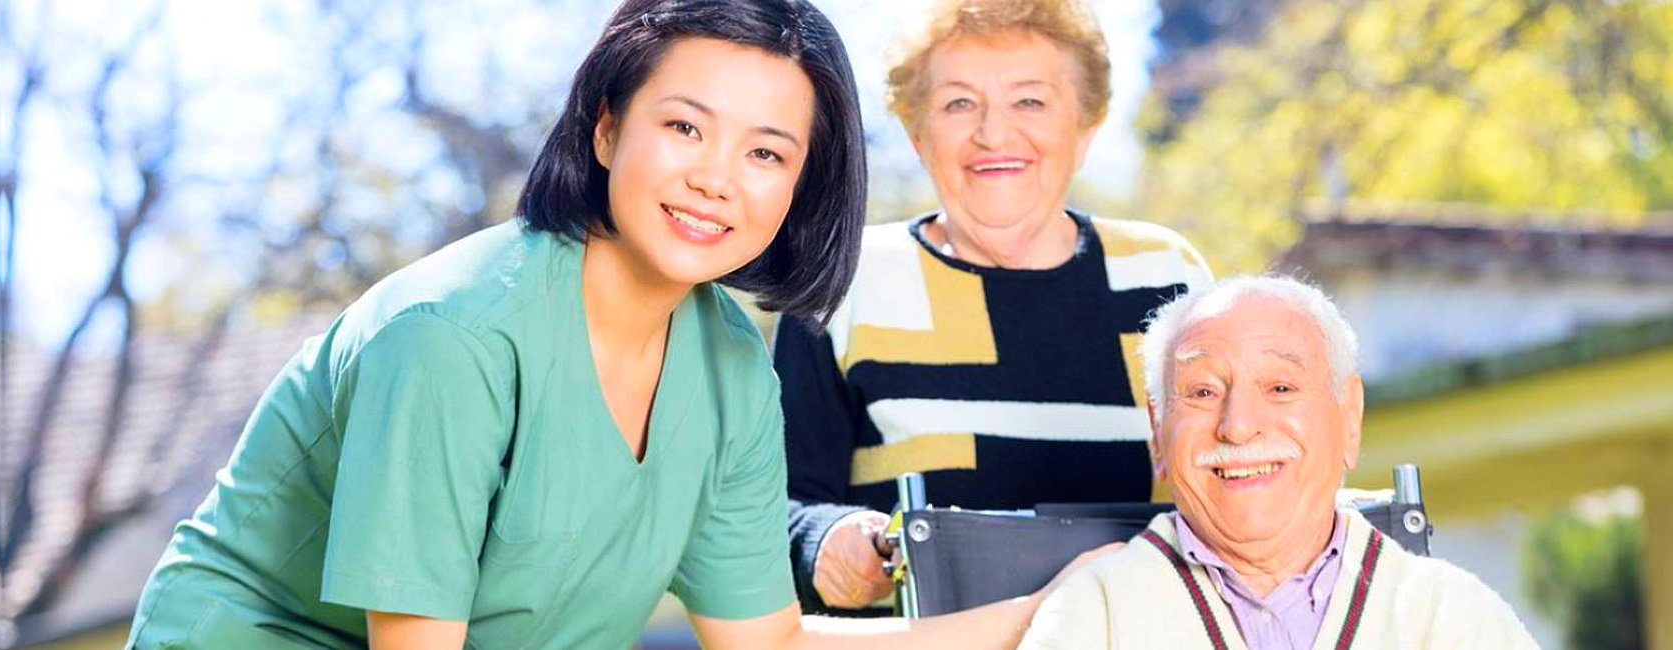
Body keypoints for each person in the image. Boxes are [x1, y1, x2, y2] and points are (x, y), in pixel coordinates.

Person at [124, 2, 1097, 648]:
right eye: (684, 127)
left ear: (800, 187)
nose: (717, 176)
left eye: (766, 151)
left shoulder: (727, 366)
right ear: (604, 127)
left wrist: (1063, 607)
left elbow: (768, 641)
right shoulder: (452, 333)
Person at [777, 0, 1213, 614]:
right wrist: (824, 543)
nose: (993, 132)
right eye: (959, 103)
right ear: (917, 132)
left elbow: (1226, 470)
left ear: (1086, 126)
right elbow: (775, 508)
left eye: (1029, 101)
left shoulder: (1167, 275)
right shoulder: (842, 281)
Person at [1017, 276, 1540, 649]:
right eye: (1201, 391)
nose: (1239, 425)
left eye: (1281, 387)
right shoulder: (1097, 614)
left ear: (1349, 417)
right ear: (1158, 429)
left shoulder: (1448, 617)